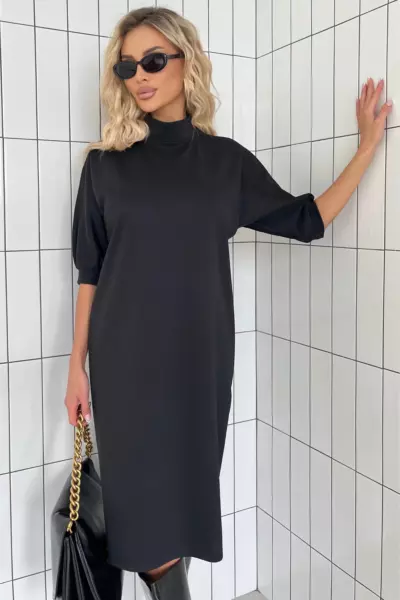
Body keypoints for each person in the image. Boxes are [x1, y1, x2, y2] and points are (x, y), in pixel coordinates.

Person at [64, 6, 392, 600]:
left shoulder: (225, 163)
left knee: (183, 508)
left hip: (200, 362)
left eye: (153, 60)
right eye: (127, 66)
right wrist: (75, 366)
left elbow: (307, 219)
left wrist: (367, 148)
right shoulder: (104, 167)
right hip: (124, 366)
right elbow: (90, 270)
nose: (139, 76)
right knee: (145, 525)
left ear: (186, 61)